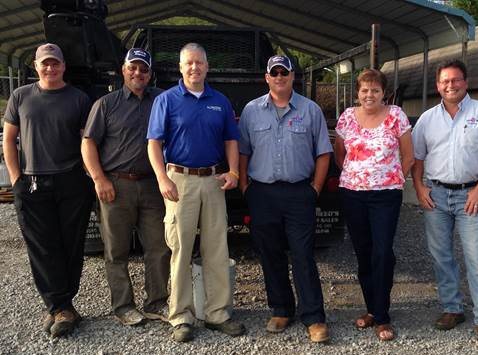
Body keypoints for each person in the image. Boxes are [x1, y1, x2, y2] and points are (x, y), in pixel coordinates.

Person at [147, 42, 245, 342]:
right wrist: (162, 178)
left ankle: (218, 314)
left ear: (207, 66)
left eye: (199, 63)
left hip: (213, 180)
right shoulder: (166, 100)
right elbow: (154, 143)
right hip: (180, 180)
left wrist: (234, 171)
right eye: (188, 63)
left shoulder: (220, 101)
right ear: (180, 67)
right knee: (180, 249)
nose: (194, 68)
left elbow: (231, 139)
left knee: (216, 249)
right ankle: (181, 316)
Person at [412, 59, 478, 347]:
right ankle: (452, 309)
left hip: (471, 196)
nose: (450, 85)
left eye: (455, 80)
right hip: (437, 195)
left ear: (465, 83)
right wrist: (419, 188)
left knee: (477, 259)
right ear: (437, 86)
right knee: (441, 256)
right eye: (445, 81)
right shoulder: (427, 119)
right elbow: (417, 159)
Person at [2, 43, 94, 337]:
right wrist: (16, 178)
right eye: (45, 64)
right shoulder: (20, 96)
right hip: (32, 182)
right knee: (42, 246)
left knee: (71, 243)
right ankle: (58, 306)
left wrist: (87, 175)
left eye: (55, 63)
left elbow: (86, 141)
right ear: (36, 67)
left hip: (70, 182)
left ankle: (63, 304)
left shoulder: (79, 99)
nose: (50, 68)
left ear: (63, 66)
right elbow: (9, 140)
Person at [239, 55, 332, 343]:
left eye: (284, 72)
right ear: (266, 77)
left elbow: (323, 152)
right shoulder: (252, 111)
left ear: (293, 77)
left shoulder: (311, 110)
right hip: (263, 193)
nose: (279, 76)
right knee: (270, 253)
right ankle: (281, 309)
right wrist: (245, 187)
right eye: (274, 72)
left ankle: (314, 317)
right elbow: (242, 152)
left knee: (303, 254)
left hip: (299, 193)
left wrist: (315, 188)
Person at [81, 48, 170, 326]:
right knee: (116, 250)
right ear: (123, 70)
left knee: (159, 247)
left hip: (154, 185)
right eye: (133, 67)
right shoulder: (106, 104)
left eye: (143, 69)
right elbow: (88, 143)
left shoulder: (162, 101)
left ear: (150, 73)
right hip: (115, 185)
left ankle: (156, 302)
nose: (138, 73)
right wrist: (99, 178)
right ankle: (123, 306)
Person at [334, 68, 414, 341]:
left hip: (385, 196)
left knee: (383, 253)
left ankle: (382, 317)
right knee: (363, 252)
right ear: (358, 92)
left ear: (384, 93)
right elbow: (340, 156)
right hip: (353, 194)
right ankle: (372, 309)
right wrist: (358, 177)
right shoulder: (346, 118)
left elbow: (409, 156)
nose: (370, 95)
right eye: (365, 90)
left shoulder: (396, 117)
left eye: (375, 90)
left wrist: (394, 178)